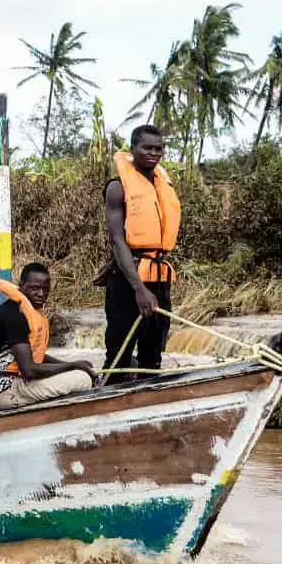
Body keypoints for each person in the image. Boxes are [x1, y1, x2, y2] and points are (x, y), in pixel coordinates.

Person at [103, 124, 180, 383]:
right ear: (133, 149)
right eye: (147, 147)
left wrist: (151, 289)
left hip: (159, 280)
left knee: (153, 356)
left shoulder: (162, 186)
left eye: (158, 148)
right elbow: (117, 240)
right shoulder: (118, 187)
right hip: (128, 284)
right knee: (119, 357)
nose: (153, 153)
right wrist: (138, 288)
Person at [0, 262, 94, 410]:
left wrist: (73, 365)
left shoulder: (27, 311)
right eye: (35, 288)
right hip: (3, 392)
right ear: (22, 285)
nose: (41, 294)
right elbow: (29, 370)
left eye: (45, 289)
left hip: (14, 385)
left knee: (77, 373)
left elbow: (37, 357)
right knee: (82, 379)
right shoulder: (14, 315)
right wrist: (72, 366)